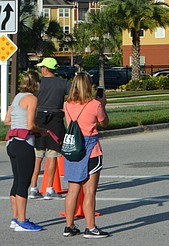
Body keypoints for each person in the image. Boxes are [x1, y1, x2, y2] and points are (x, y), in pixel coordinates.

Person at [62, 72, 110, 238]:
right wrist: (103, 104)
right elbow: (104, 122)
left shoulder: (66, 104)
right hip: (90, 148)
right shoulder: (95, 104)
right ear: (89, 85)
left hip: (73, 147)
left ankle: (69, 225)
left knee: (72, 190)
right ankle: (90, 228)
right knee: (89, 191)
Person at [4, 71, 44, 232]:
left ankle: (15, 218)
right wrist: (41, 131)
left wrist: (19, 121)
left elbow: (7, 120)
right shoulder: (32, 99)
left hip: (12, 142)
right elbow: (30, 125)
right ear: (35, 84)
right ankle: (22, 220)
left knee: (17, 180)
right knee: (24, 182)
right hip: (24, 143)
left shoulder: (17, 97)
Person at [29, 57, 70, 201]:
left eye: (42, 67)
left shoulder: (38, 83)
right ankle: (49, 188)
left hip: (39, 118)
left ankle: (33, 187)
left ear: (46, 69)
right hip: (56, 119)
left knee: (38, 155)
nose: (41, 69)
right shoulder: (63, 83)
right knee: (53, 155)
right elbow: (71, 96)